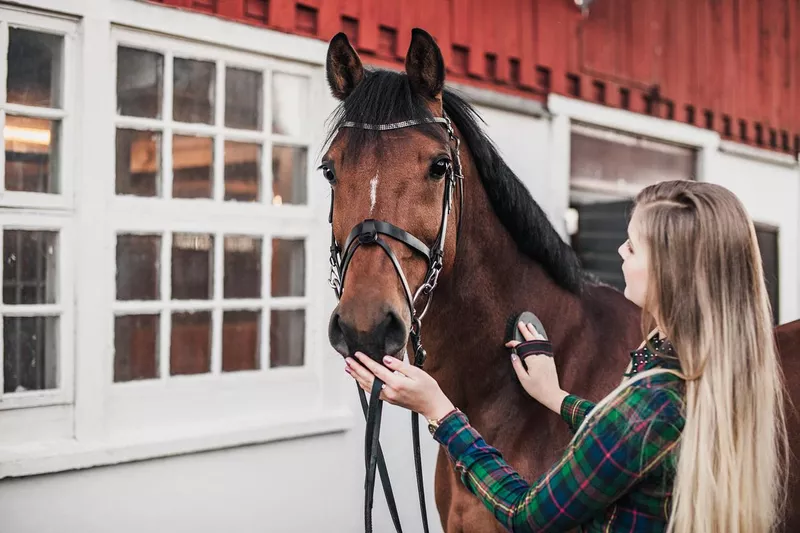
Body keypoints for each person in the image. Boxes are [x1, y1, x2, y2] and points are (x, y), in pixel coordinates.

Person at [345, 180, 788, 533]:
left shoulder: (653, 399)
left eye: (632, 247)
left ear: (672, 271)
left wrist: (439, 410)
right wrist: (556, 396)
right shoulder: (698, 372)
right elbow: (631, 439)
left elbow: (526, 516)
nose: (619, 251)